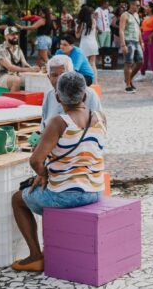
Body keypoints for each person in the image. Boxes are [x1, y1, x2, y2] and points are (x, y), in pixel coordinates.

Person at [11, 72, 106, 272]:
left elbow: (35, 160)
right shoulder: (100, 117)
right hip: (96, 190)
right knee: (45, 191)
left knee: (18, 199)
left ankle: (35, 256)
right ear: (85, 96)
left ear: (57, 97)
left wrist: (44, 174)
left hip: (67, 196)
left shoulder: (58, 122)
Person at [41, 55, 102, 129]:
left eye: (63, 74)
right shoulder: (49, 95)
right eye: (54, 75)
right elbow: (43, 125)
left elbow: (98, 125)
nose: (59, 79)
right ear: (48, 77)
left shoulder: (89, 94)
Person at [0, 26, 35, 91]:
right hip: (1, 76)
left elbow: (24, 64)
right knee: (16, 80)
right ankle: (12, 101)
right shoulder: (0, 50)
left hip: (16, 74)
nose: (15, 36)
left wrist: (33, 69)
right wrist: (30, 70)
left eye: (16, 34)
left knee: (34, 80)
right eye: (12, 34)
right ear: (6, 36)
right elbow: (10, 67)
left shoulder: (18, 48)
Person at [118, 0, 143, 94]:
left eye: (139, 6)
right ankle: (128, 85)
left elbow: (138, 29)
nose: (138, 7)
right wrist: (123, 44)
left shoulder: (137, 15)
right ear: (131, 5)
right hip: (128, 41)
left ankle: (128, 79)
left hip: (136, 41)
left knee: (140, 62)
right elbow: (121, 30)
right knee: (128, 63)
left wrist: (141, 42)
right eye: (137, 5)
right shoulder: (125, 15)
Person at [76, 6, 99, 80]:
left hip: (85, 44)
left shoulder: (82, 24)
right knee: (93, 64)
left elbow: (77, 36)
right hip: (93, 43)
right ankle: (95, 82)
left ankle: (86, 81)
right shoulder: (94, 21)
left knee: (84, 64)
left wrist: (76, 29)